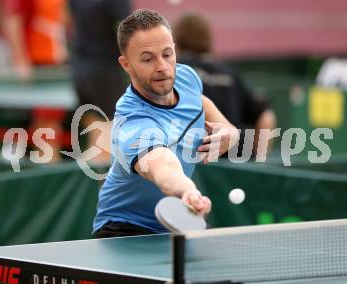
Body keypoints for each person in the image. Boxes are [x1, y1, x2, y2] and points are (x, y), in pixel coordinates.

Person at [92, 9, 240, 238]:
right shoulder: (132, 121)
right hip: (125, 228)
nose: (162, 66)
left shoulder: (186, 78)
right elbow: (163, 167)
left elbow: (204, 106)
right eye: (148, 58)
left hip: (179, 220)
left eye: (167, 54)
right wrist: (188, 191)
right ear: (126, 64)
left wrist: (230, 134)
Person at [173, 12, 276, 158]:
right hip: (234, 164)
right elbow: (266, 116)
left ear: (178, 39)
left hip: (195, 162)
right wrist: (259, 160)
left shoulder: (176, 69)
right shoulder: (229, 73)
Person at [4, 0, 68, 163]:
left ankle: (49, 162)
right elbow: (12, 21)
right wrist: (21, 61)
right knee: (46, 122)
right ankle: (48, 165)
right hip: (39, 64)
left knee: (52, 121)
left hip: (57, 62)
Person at [68, 0, 131, 163]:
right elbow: (127, 28)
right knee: (105, 139)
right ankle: (100, 186)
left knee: (95, 136)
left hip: (80, 70)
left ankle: (91, 184)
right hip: (105, 72)